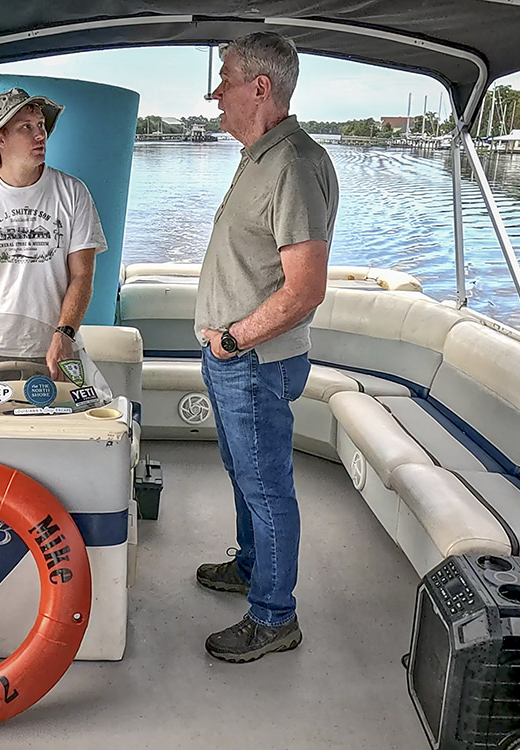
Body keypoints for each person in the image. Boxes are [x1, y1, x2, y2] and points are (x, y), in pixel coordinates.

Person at [195, 32, 339, 662]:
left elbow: (305, 289)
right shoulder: (262, 154)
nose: (214, 93)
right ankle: (254, 567)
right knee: (243, 472)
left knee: (266, 485)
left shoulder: (293, 165)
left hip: (255, 361)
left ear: (260, 87)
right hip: (237, 358)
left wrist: (232, 339)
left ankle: (275, 616)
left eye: (224, 79)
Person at [0, 87, 107, 379]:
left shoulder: (73, 193)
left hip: (56, 347)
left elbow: (82, 276)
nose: (40, 135)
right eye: (26, 127)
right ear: (0, 139)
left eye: (40, 125)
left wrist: (64, 335)